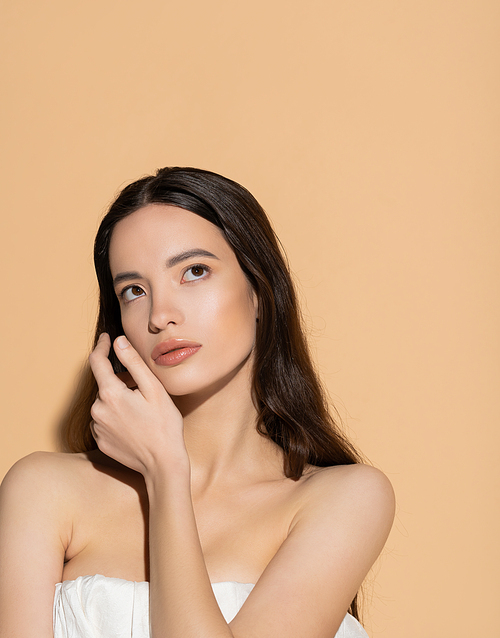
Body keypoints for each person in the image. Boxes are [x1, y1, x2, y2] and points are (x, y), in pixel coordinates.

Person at [0, 167, 395, 638]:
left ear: (259, 292)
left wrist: (166, 474)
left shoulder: (343, 500)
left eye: (194, 271)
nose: (161, 315)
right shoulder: (43, 491)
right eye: (134, 290)